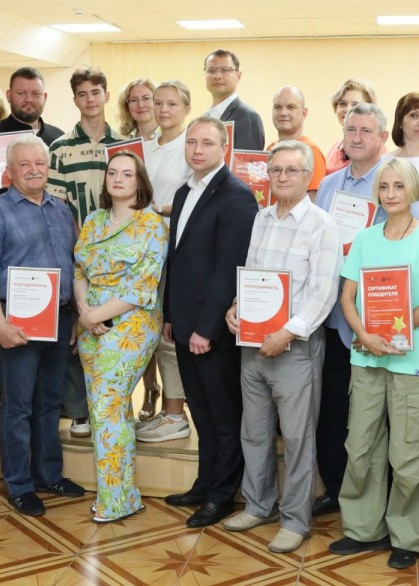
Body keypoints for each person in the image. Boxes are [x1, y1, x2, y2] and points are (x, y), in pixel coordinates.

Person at [329, 156, 419, 570]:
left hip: (410, 364)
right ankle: (363, 529)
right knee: (360, 448)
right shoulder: (365, 239)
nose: (390, 194)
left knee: (407, 456)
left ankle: (407, 537)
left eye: (398, 186)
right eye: (384, 187)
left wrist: (390, 332)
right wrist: (366, 335)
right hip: (366, 358)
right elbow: (347, 298)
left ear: (412, 190)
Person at [220, 141, 340, 553]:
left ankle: (294, 520)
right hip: (252, 346)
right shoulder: (262, 218)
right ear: (267, 175)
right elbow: (253, 275)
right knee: (254, 433)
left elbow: (323, 293)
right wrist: (236, 308)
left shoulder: (322, 225)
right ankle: (258, 506)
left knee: (297, 438)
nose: (283, 177)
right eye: (276, 170)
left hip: (295, 348)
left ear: (308, 177)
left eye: (292, 170)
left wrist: (286, 334)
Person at [0, 134, 86, 517]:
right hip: (16, 324)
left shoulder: (61, 209)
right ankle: (19, 485)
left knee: (50, 403)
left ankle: (48, 475)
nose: (34, 170)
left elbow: (75, 265)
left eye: (40, 163)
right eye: (25, 165)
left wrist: (75, 316)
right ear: (9, 171)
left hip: (60, 320)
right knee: (18, 408)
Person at [161, 116, 258, 528]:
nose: (197, 150)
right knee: (200, 412)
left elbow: (228, 270)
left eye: (206, 143)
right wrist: (170, 316)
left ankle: (222, 495)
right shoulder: (184, 192)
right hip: (184, 324)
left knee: (223, 415)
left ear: (224, 148)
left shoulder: (237, 196)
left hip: (212, 330)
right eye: (192, 143)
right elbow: (178, 260)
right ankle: (204, 483)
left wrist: (206, 328)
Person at [73, 151, 167, 523]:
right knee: (109, 410)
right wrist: (85, 312)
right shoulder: (93, 220)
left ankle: (115, 502)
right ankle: (123, 494)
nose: (118, 179)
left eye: (127, 174)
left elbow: (142, 286)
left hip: (132, 323)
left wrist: (94, 316)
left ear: (140, 182)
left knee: (106, 405)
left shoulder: (152, 224)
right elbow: (79, 269)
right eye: (112, 172)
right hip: (90, 323)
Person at [311, 102, 389, 518]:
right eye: (350, 130)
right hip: (331, 316)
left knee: (372, 418)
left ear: (383, 138)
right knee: (332, 412)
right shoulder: (328, 185)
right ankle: (336, 490)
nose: (356, 138)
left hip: (372, 319)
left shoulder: (393, 181)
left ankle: (372, 502)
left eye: (366, 131)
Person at [48, 66, 125, 438]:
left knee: (112, 330)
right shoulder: (60, 149)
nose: (90, 99)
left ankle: (111, 409)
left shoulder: (125, 146)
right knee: (77, 328)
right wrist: (83, 247)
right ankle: (80, 410)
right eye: (82, 94)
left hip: (119, 256)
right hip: (77, 253)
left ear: (106, 96)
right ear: (75, 99)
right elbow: (58, 208)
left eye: (96, 92)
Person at [136, 80, 193, 442]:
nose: (163, 109)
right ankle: (158, 405)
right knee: (149, 332)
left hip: (175, 252)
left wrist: (162, 209)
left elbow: (198, 198)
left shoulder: (190, 147)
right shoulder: (143, 148)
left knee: (170, 335)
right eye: (158, 103)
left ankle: (175, 412)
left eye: (172, 104)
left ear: (186, 108)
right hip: (142, 253)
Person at [0, 67, 65, 202]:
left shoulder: (58, 139)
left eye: (36, 93)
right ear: (9, 96)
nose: (29, 99)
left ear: (45, 97)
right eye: (21, 93)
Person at [267, 86, 326, 197]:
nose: (283, 113)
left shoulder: (311, 151)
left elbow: (313, 200)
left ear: (304, 113)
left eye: (291, 107)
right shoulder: (271, 148)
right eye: (277, 107)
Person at [203, 49, 265, 150]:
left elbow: (246, 159)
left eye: (225, 70)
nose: (217, 76)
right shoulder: (204, 117)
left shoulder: (247, 117)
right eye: (211, 71)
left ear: (238, 76)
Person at [325, 79, 382, 176]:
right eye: (342, 104)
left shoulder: (376, 148)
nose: (347, 109)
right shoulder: (336, 146)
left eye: (355, 105)